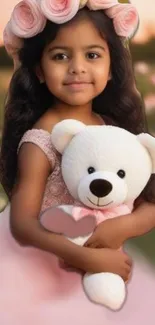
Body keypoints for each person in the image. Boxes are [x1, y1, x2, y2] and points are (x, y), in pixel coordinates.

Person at [0, 0, 155, 324]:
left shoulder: (113, 131)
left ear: (112, 66)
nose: (77, 68)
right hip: (37, 267)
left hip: (99, 265)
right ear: (40, 70)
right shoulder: (41, 139)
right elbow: (23, 225)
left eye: (92, 54)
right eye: (60, 56)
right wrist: (86, 257)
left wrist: (124, 225)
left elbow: (148, 199)